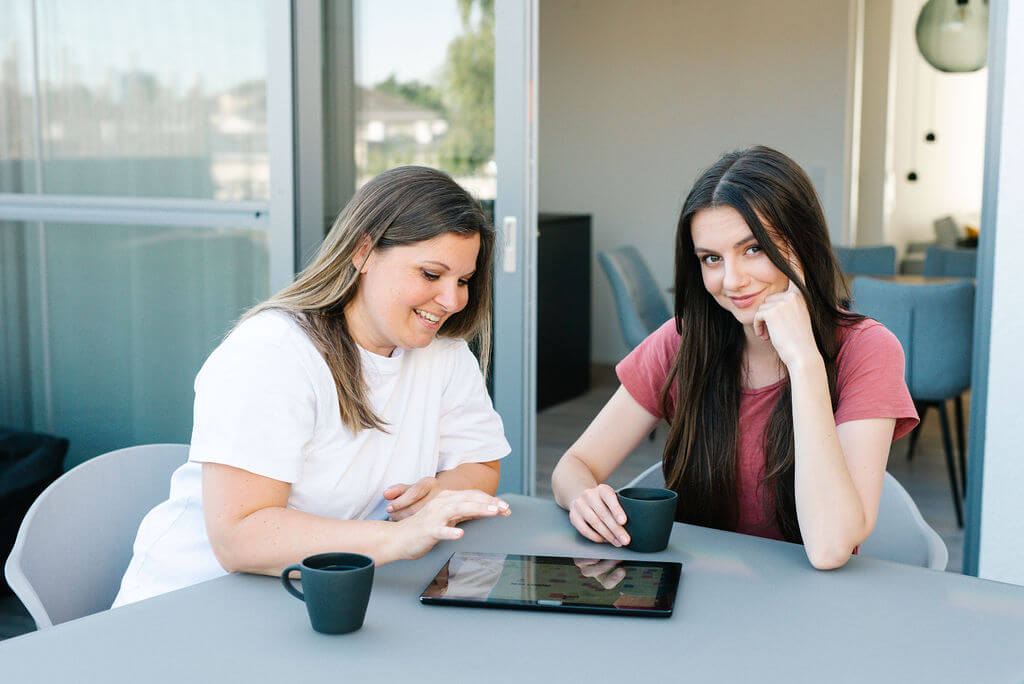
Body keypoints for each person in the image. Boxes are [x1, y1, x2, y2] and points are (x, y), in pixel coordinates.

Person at [114, 166, 511, 606]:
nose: (454, 301)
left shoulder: (443, 353)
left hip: (323, 593)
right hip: (195, 601)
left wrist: (437, 495)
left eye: (464, 281)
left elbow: (480, 465)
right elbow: (239, 538)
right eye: (431, 275)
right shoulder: (272, 353)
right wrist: (399, 537)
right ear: (364, 252)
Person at [551, 146, 918, 570]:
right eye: (711, 258)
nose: (732, 281)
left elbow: (831, 547)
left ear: (801, 242)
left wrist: (803, 362)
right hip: (698, 595)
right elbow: (573, 466)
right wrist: (583, 496)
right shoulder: (684, 340)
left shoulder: (867, 350)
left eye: (753, 249)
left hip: (810, 609)